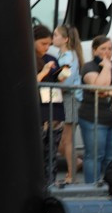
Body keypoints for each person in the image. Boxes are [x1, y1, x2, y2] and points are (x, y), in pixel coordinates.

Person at [79, 35, 112, 184]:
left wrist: (108, 92)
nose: (107, 52)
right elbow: (100, 85)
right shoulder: (88, 67)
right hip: (94, 119)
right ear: (94, 50)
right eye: (103, 48)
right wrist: (107, 67)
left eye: (109, 48)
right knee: (95, 156)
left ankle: (110, 187)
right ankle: (92, 189)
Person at [53, 24, 83, 184]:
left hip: (70, 99)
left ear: (65, 39)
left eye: (56, 35)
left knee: (67, 139)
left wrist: (51, 80)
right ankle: (75, 162)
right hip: (66, 99)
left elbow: (65, 80)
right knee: (59, 139)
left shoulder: (68, 57)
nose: (53, 38)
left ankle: (71, 175)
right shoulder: (65, 55)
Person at [35, 24, 65, 183]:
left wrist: (62, 75)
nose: (47, 47)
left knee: (52, 154)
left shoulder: (52, 58)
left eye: (49, 44)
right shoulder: (26, 58)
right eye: (43, 44)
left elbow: (57, 81)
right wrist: (44, 72)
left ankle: (51, 186)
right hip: (38, 114)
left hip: (55, 111)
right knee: (36, 155)